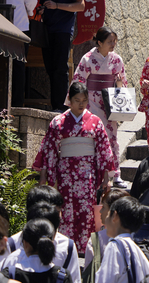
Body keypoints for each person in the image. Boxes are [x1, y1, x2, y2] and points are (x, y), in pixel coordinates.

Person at [32, 82, 115, 252]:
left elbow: (103, 150)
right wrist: (44, 176)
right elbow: (49, 150)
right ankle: (66, 246)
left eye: (84, 100)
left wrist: (106, 179)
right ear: (69, 100)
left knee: (86, 209)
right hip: (65, 173)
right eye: (77, 100)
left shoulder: (95, 121)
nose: (81, 104)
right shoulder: (58, 122)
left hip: (87, 173)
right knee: (66, 209)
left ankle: (85, 247)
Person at [72, 26, 127, 186]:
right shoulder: (88, 58)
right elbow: (78, 82)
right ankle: (91, 172)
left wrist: (118, 83)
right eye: (110, 41)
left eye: (114, 41)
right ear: (99, 42)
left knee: (112, 139)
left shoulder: (116, 59)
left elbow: (122, 82)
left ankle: (115, 173)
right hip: (91, 102)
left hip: (109, 103)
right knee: (90, 138)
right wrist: (78, 104)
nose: (113, 44)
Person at [38, 0, 85, 111]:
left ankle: (61, 106)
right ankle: (55, 104)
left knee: (60, 68)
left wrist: (57, 5)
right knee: (50, 68)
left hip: (63, 30)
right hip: (47, 29)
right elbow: (45, 4)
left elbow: (81, 5)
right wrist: (43, 9)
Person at [6, 0, 37, 106]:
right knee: (18, 65)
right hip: (19, 25)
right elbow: (31, 0)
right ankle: (17, 103)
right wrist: (30, 12)